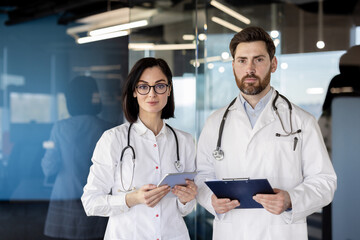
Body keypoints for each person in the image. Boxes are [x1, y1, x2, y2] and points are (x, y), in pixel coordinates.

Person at [195, 26, 337, 240]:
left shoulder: (301, 121)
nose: (249, 69)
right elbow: (201, 176)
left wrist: (291, 199)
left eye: (258, 60)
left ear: (273, 64)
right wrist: (211, 200)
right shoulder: (215, 123)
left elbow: (325, 182)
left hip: (280, 232)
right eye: (242, 60)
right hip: (232, 232)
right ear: (233, 65)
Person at [81, 57, 197, 240]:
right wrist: (132, 198)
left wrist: (187, 198)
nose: (152, 94)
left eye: (159, 86)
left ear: (169, 90)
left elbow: (185, 209)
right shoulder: (113, 139)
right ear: (134, 91)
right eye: (143, 87)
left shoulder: (185, 141)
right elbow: (90, 203)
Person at [41, 76, 113, 240]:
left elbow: (49, 166)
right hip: (98, 198)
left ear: (70, 99)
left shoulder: (60, 127)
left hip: (66, 196)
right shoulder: (107, 128)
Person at [318, 45, 360, 240]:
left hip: (335, 170)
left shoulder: (337, 84)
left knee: (334, 223)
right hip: (339, 170)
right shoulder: (338, 86)